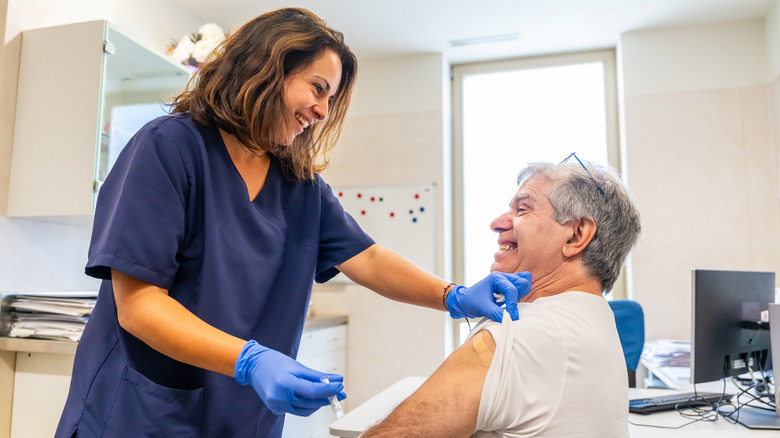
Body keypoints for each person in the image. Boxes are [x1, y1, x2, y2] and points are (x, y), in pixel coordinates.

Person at [55, 8, 529, 438]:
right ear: (266, 69)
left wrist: (453, 296)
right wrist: (249, 360)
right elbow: (138, 306)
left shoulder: (299, 187)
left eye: (330, 97)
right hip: (141, 413)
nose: (322, 111)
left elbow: (368, 258)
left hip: (241, 420)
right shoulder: (170, 149)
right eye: (317, 89)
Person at [360, 157, 642, 437]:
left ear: (575, 236)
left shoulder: (518, 336)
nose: (497, 223)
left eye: (523, 209)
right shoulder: (598, 321)